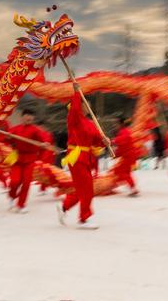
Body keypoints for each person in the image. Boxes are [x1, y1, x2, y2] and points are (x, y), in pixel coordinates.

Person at [56, 85, 108, 230]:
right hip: (76, 156)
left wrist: (105, 141)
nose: (87, 105)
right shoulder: (74, 119)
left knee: (82, 190)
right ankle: (84, 218)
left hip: (87, 157)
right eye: (85, 103)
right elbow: (75, 109)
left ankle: (64, 207)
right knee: (87, 188)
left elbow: (97, 140)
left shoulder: (90, 124)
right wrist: (77, 92)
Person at [4, 109, 52, 213]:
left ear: (33, 118)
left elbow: (44, 138)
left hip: (30, 160)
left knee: (26, 183)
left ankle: (21, 205)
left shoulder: (35, 130)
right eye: (27, 115)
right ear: (23, 117)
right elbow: (8, 139)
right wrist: (7, 137)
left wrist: (45, 143)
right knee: (14, 181)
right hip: (17, 159)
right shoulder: (15, 129)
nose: (29, 118)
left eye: (31, 116)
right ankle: (12, 196)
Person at [113, 117, 140, 196]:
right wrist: (116, 154)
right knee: (125, 172)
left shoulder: (125, 132)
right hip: (128, 155)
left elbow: (122, 140)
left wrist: (113, 141)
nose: (115, 126)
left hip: (128, 156)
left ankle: (133, 188)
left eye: (116, 124)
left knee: (120, 171)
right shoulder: (124, 131)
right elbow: (121, 147)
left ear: (121, 124)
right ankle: (133, 188)